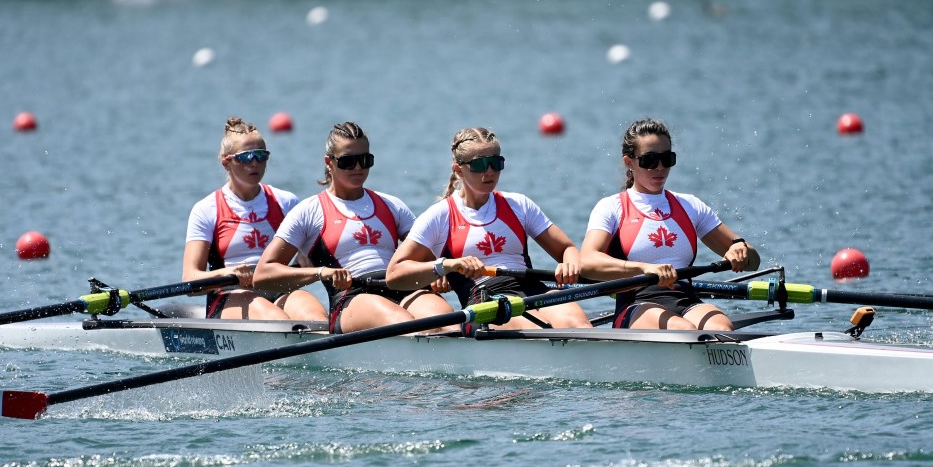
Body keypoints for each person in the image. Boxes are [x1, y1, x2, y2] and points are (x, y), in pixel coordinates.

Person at [253, 122, 456, 334]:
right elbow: (262, 274)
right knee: (403, 321)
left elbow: (428, 256)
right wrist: (321, 273)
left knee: (449, 322)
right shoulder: (308, 212)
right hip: (352, 299)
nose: (358, 168)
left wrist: (438, 272)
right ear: (329, 162)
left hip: (403, 287)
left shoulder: (392, 205)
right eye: (348, 161)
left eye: (365, 160)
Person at [386, 127, 592, 331]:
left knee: (577, 324)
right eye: (480, 165)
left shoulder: (518, 205)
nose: (490, 172)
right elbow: (394, 275)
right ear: (458, 169)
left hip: (533, 288)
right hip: (483, 299)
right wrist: (446, 266)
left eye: (496, 163)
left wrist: (569, 265)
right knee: (536, 329)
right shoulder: (440, 215)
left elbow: (566, 248)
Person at [579, 118, 760, 331]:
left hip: (686, 300)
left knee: (722, 329)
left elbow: (754, 262)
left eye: (667, 159)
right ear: (629, 163)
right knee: (685, 330)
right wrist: (644, 268)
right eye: (649, 160)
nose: (660, 168)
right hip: (636, 304)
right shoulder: (611, 207)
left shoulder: (690, 205)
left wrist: (740, 250)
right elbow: (587, 262)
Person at [183, 117, 327, 322]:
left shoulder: (286, 202)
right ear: (227, 162)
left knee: (316, 318)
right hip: (231, 294)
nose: (255, 163)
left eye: (261, 155)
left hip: (280, 289)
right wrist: (231, 271)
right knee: (278, 320)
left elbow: (309, 258)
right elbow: (190, 278)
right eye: (246, 157)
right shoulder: (206, 210)